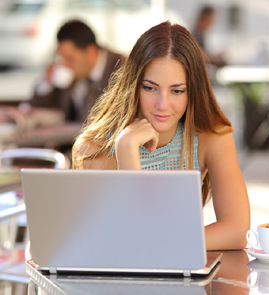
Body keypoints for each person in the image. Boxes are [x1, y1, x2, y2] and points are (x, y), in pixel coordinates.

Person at [72, 21, 250, 250]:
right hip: (115, 282)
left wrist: (158, 241)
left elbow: (237, 231)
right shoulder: (94, 148)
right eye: (150, 87)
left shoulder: (211, 138)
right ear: (133, 86)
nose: (163, 105)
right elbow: (121, 244)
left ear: (192, 91)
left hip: (187, 277)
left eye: (177, 90)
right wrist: (126, 149)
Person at [30, 20, 123, 123]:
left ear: (91, 51)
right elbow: (40, 110)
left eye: (70, 59)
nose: (65, 64)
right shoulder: (72, 76)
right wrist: (47, 83)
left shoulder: (123, 70)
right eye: (62, 58)